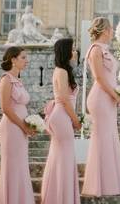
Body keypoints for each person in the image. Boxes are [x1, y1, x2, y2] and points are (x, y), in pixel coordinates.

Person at [83, 17, 120, 197]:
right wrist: (116, 95)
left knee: (109, 137)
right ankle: (97, 184)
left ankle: (109, 183)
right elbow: (99, 78)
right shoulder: (95, 50)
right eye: (111, 29)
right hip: (101, 98)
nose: (112, 32)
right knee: (101, 138)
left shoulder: (104, 50)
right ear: (104, 30)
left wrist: (117, 95)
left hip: (108, 97)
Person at [41, 37, 81, 204]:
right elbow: (64, 99)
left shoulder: (62, 70)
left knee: (60, 156)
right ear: (66, 51)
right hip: (62, 115)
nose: (75, 52)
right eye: (72, 49)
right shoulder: (62, 72)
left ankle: (58, 196)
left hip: (61, 114)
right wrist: (76, 120)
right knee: (64, 156)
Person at [0, 46, 35, 204]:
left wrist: (29, 125)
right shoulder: (6, 80)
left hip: (20, 127)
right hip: (12, 127)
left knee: (20, 164)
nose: (26, 61)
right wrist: (22, 125)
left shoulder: (18, 81)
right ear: (13, 60)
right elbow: (5, 107)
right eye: (23, 58)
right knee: (12, 165)